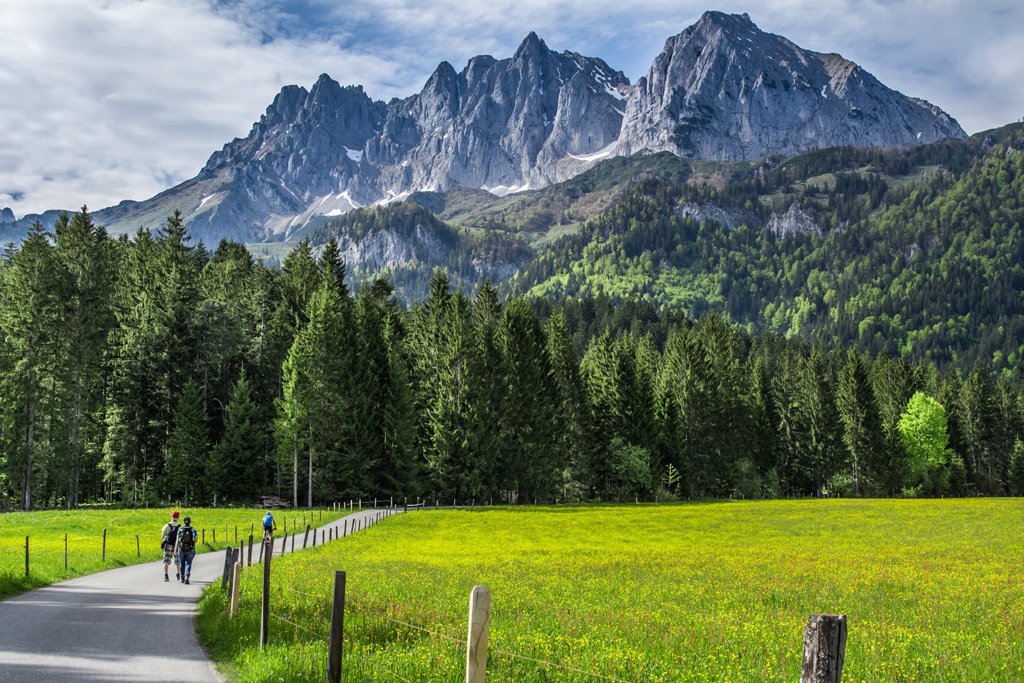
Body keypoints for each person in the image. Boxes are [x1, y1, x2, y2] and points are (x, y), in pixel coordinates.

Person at [175, 516, 197, 584]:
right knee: (188, 563)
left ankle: (182, 578)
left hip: (181, 548)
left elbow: (177, 540)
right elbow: (196, 540)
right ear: (190, 522)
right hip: (190, 548)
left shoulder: (180, 529)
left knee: (182, 563)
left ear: (183, 522)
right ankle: (187, 576)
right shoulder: (193, 529)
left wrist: (175, 549)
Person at [161, 511, 181, 582]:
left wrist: (163, 542)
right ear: (178, 517)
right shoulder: (180, 526)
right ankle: (178, 574)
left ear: (172, 516)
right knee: (178, 560)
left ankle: (166, 575)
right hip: (177, 545)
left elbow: (163, 536)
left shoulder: (167, 525)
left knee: (166, 560)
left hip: (168, 544)